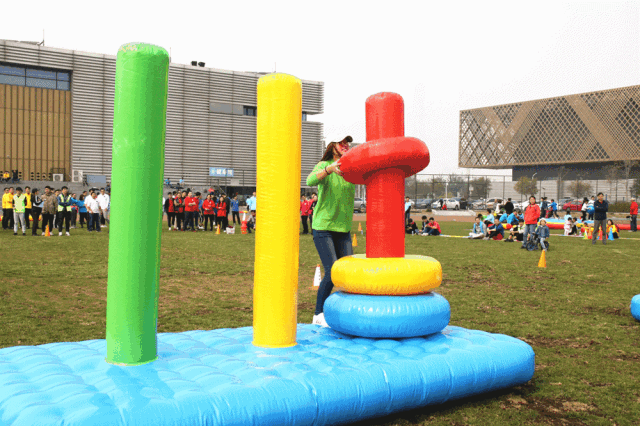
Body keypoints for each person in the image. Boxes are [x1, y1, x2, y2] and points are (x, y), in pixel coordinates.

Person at [306, 136, 355, 327]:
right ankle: (318, 314)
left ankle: (343, 311)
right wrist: (329, 170)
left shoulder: (351, 168)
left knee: (347, 273)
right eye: (341, 142)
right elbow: (310, 180)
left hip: (343, 229)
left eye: (347, 143)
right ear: (332, 146)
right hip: (323, 227)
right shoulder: (324, 165)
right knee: (332, 270)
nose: (345, 145)